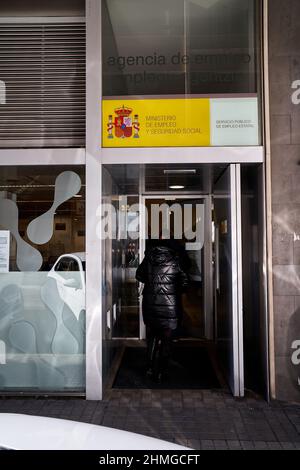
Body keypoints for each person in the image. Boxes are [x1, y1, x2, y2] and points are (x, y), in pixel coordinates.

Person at [136, 238, 189, 383]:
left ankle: (150, 368)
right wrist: (174, 288)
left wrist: (152, 279)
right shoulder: (176, 259)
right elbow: (185, 282)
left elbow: (138, 275)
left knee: (152, 336)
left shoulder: (149, 258)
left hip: (151, 304)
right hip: (170, 306)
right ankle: (161, 372)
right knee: (166, 340)